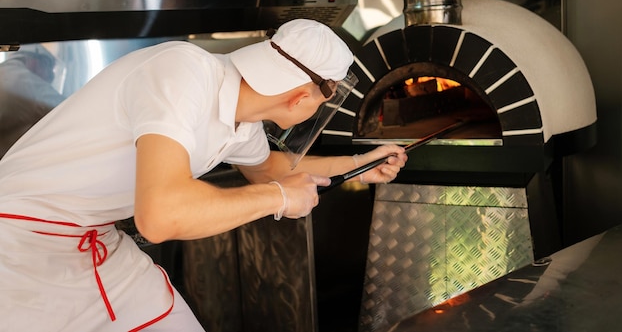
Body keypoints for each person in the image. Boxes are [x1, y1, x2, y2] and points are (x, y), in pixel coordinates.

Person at [0, 19, 407, 331]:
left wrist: (362, 166)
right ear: (301, 97)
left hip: (95, 239)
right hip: (19, 246)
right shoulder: (183, 72)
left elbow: (269, 169)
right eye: (320, 103)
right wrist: (279, 198)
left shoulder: (242, 117)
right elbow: (160, 216)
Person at [0, 50, 65, 157]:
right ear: (35, 61)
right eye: (49, 73)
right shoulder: (27, 83)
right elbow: (66, 109)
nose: (48, 79)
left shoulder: (5, 68)